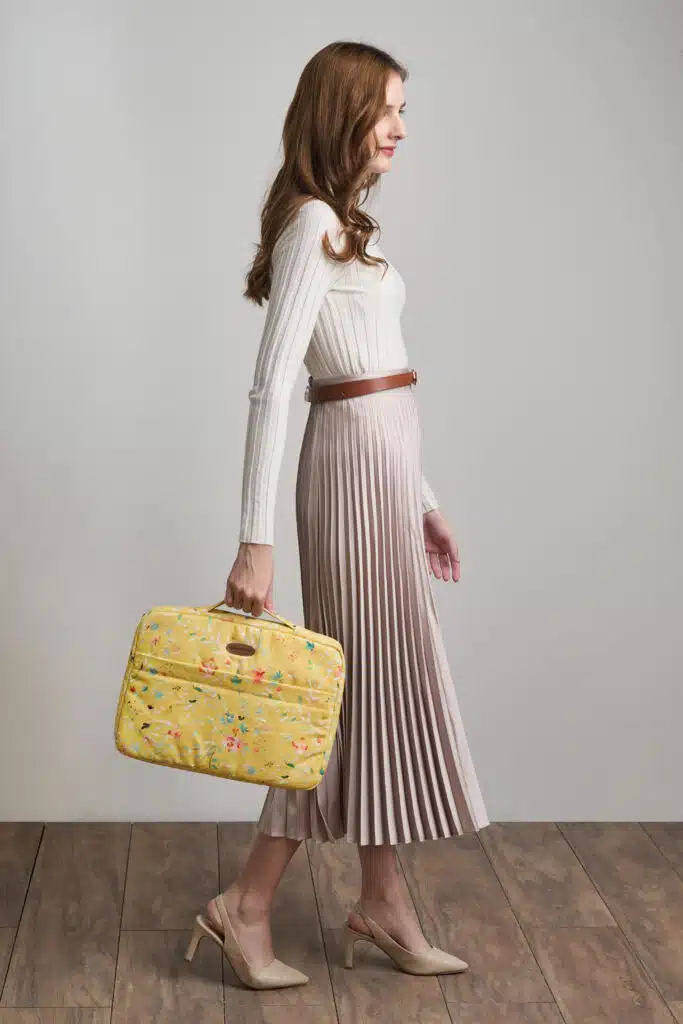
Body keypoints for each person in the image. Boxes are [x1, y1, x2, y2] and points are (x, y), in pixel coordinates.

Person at [185, 40, 490, 990]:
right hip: (348, 471)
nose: (400, 128)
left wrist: (424, 501)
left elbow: (379, 371)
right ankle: (246, 906)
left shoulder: (349, 225)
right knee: (345, 694)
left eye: (403, 110)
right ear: (341, 112)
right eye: (385, 108)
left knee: (375, 687)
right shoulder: (312, 222)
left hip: (384, 469)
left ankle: (380, 903)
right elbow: (273, 386)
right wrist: (254, 539)